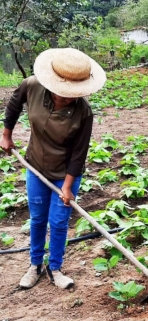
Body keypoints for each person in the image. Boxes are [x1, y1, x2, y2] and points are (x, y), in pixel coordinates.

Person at [0, 48, 106, 289]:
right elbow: (13, 107)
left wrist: (67, 187)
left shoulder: (83, 112)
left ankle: (55, 267)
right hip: (35, 165)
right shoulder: (32, 86)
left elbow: (79, 154)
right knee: (37, 219)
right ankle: (34, 264)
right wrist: (6, 135)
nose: (69, 97)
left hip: (65, 173)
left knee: (58, 221)